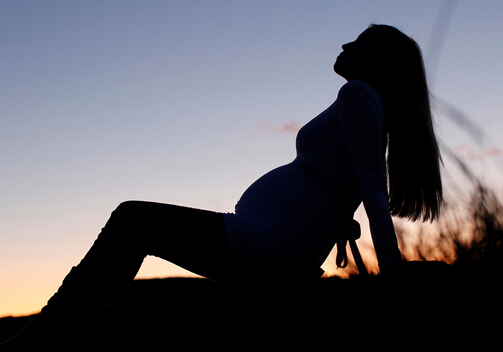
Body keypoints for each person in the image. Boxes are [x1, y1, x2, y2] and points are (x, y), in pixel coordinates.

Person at [1, 24, 443, 349]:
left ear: (376, 60)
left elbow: (371, 188)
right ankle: (68, 325)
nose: (346, 44)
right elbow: (351, 184)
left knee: (131, 218)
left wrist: (393, 282)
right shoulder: (365, 104)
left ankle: (51, 332)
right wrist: (336, 223)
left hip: (265, 241)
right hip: (274, 240)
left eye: (359, 42)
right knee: (134, 224)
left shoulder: (359, 94)